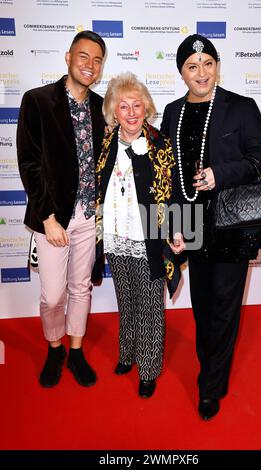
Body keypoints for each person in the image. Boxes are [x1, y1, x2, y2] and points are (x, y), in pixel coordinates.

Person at [161, 34, 261, 419]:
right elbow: (171, 176)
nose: (201, 72)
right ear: (181, 72)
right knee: (202, 306)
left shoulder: (240, 107)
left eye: (208, 63)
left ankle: (210, 386)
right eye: (192, 66)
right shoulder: (173, 112)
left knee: (224, 307)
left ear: (217, 66)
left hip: (232, 222)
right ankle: (210, 368)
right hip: (191, 222)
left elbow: (260, 158)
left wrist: (219, 174)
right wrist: (174, 225)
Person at [17, 30, 106, 388]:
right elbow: (30, 164)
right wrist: (48, 218)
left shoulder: (102, 106)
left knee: (81, 287)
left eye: (97, 60)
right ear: (68, 57)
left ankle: (77, 348)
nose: (90, 65)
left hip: (88, 216)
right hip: (52, 217)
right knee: (52, 295)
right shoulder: (37, 101)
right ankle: (54, 348)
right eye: (84, 56)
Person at [92, 72, 176, 398]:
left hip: (148, 238)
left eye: (136, 105)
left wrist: (178, 232)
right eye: (123, 106)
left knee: (150, 305)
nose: (130, 112)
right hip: (115, 235)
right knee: (126, 299)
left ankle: (149, 369)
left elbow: (171, 195)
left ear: (146, 108)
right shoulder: (105, 145)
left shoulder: (159, 144)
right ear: (114, 112)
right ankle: (127, 353)